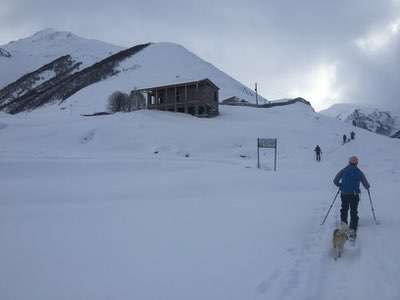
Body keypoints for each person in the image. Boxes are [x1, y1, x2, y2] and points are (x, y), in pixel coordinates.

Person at [333, 156, 370, 241]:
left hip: (344, 194)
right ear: (357, 163)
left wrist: (340, 185)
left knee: (344, 209)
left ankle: (343, 226)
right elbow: (365, 183)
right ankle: (352, 229)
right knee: (354, 210)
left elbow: (335, 181)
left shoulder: (344, 170)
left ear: (349, 162)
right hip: (354, 194)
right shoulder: (358, 172)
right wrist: (367, 187)